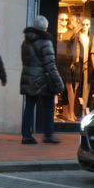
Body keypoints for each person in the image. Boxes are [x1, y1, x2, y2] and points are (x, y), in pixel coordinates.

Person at [19, 15, 64, 145]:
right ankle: (48, 135)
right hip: (43, 79)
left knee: (29, 107)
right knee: (48, 107)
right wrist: (58, 82)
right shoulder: (45, 42)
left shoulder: (26, 41)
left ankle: (26, 135)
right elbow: (50, 65)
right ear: (45, 28)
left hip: (28, 77)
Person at [56, 13, 77, 122]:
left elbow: (74, 49)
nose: (64, 21)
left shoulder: (71, 33)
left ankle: (71, 113)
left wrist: (73, 61)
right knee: (53, 87)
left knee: (69, 87)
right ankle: (53, 113)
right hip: (55, 62)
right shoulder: (54, 31)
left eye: (66, 19)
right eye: (61, 19)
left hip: (66, 63)